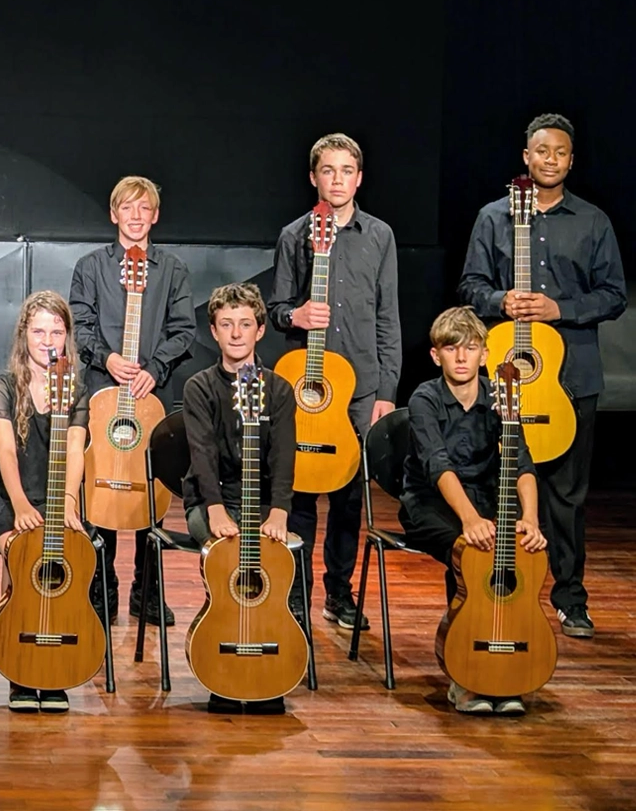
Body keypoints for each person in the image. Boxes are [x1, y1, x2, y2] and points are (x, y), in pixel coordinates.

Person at [458, 113, 627, 639]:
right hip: (506, 380)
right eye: (541, 151)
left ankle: (570, 598)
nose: (550, 159)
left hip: (571, 378)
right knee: (499, 487)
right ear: (525, 157)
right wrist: (499, 299)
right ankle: (496, 587)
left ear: (570, 161)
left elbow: (614, 295)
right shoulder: (494, 217)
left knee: (567, 497)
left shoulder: (594, 221)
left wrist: (561, 309)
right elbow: (470, 285)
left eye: (559, 152)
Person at [268, 133, 399, 631]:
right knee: (299, 495)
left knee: (347, 498)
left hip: (361, 386)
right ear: (313, 177)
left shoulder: (379, 236)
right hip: (308, 386)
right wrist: (295, 315)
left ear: (359, 177)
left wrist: (387, 391)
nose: (338, 179)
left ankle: (338, 594)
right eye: (328, 170)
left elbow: (388, 316)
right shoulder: (293, 235)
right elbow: (276, 310)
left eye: (347, 170)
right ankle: (296, 594)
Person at [400, 306, 544, 715]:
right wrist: (470, 520)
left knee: (522, 551)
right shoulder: (425, 398)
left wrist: (530, 520)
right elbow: (437, 465)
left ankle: (507, 666)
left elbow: (522, 464)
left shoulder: (500, 396)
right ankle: (465, 676)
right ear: (436, 355)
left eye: (471, 347)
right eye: (451, 348)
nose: (461, 356)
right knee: (473, 553)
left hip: (484, 498)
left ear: (484, 354)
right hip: (429, 503)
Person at [69, 175, 195, 627]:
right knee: (102, 487)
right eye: (128, 207)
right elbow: (79, 326)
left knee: (150, 491)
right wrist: (109, 358)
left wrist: (153, 368)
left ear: (155, 215)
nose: (136, 216)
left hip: (151, 394)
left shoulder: (173, 269)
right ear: (113, 214)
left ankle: (148, 591)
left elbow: (184, 330)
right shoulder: (90, 267)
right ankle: (101, 588)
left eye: (145, 208)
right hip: (102, 391)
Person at [0, 291, 89, 713]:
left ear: (67, 337)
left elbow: (74, 450)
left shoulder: (76, 386)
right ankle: (18, 667)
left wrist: (67, 503)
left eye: (56, 331)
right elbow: (7, 453)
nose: (47, 339)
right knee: (25, 550)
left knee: (69, 553)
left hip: (56, 499)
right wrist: (19, 506)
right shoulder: (4, 387)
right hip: (8, 502)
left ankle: (55, 663)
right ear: (24, 336)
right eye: (38, 331)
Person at [181, 283, 297, 715]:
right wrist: (212, 508)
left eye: (245, 324)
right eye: (226, 325)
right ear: (213, 331)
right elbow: (202, 453)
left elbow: (284, 455)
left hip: (264, 502)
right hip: (212, 499)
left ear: (260, 330)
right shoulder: (199, 388)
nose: (235, 333)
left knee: (276, 557)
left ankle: (277, 654)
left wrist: (281, 510)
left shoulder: (280, 390)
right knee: (227, 557)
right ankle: (222, 660)